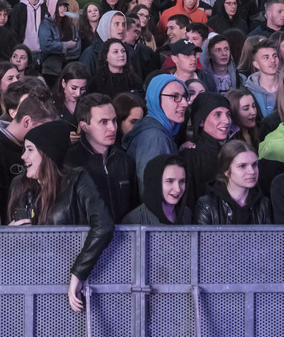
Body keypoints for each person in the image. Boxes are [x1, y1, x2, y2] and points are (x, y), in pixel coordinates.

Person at [7, 121, 114, 312]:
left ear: (48, 153)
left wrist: (78, 273)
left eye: (30, 150)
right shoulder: (20, 186)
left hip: (68, 279)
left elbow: (103, 224)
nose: (23, 156)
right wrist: (7, 235)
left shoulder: (77, 180)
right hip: (31, 282)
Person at [65, 93, 138, 222]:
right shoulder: (70, 163)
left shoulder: (126, 162)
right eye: (104, 122)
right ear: (84, 126)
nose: (112, 128)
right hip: (85, 234)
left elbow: (134, 208)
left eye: (114, 120)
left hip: (123, 233)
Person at [124, 74, 188, 184]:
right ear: (156, 99)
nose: (185, 103)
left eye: (184, 97)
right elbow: (150, 185)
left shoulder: (154, 130)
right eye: (175, 97)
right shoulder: (155, 137)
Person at [192, 141, 263, 224]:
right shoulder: (207, 205)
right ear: (226, 170)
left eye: (254, 164)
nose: (252, 171)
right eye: (242, 166)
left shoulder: (263, 203)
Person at [121, 155, 192, 226]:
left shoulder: (186, 214)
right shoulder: (134, 220)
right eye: (170, 181)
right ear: (154, 183)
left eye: (182, 181)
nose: (178, 189)